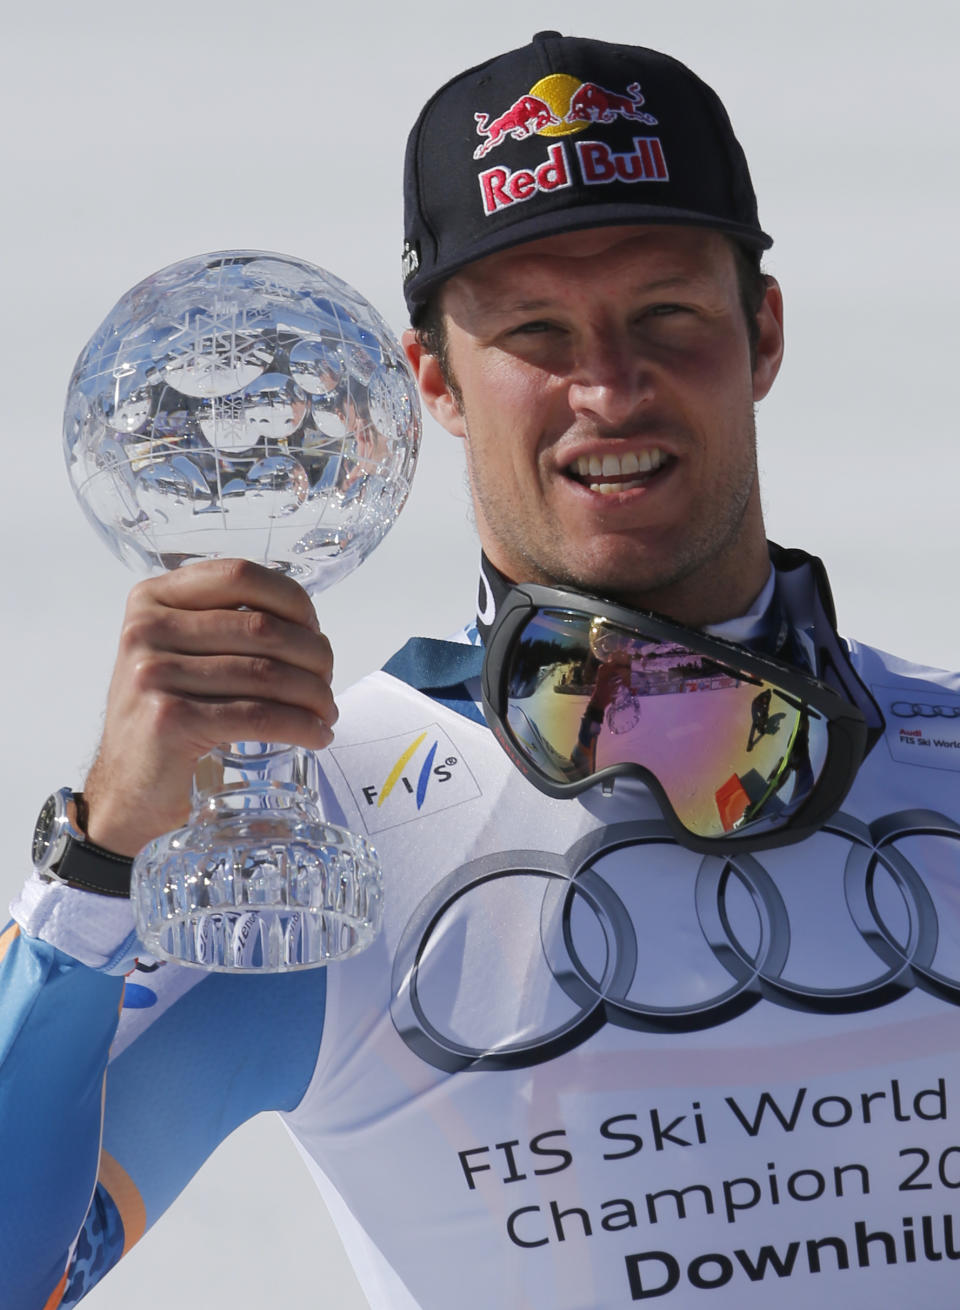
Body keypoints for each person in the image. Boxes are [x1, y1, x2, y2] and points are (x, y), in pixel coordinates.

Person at [3, 30, 960, 1310]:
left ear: (764, 333)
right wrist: (103, 862)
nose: (609, 387)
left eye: (666, 313)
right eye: (535, 333)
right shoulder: (318, 830)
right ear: (435, 382)